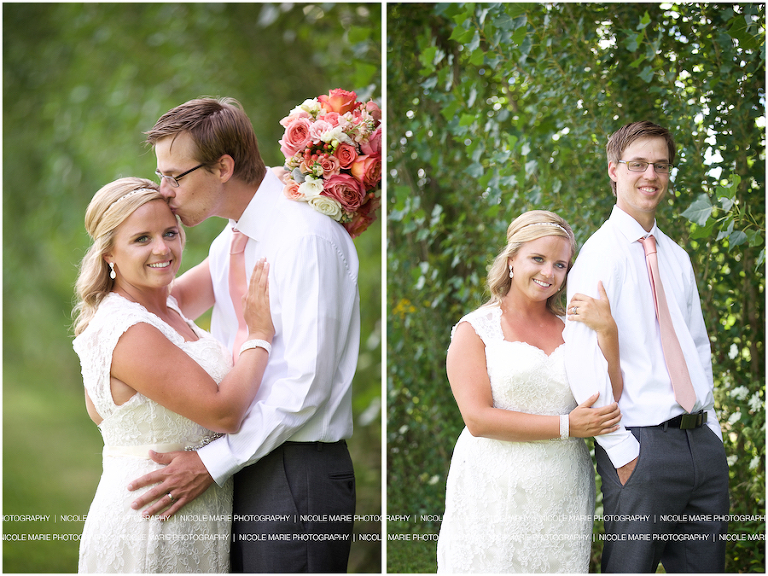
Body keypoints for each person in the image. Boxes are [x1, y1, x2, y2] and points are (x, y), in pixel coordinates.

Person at [126, 97, 360, 572]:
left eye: (175, 177)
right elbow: (167, 304)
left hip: (295, 471)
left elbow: (305, 387)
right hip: (245, 460)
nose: (165, 192)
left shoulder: (304, 239)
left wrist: (211, 463)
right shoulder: (234, 238)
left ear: (223, 167)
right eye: (160, 176)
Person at [72, 178, 274, 572]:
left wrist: (281, 184)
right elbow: (224, 413)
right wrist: (259, 335)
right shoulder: (126, 328)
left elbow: (229, 250)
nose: (162, 249)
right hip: (153, 524)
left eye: (169, 232)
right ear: (109, 253)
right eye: (141, 239)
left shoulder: (165, 306)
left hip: (191, 517)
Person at [563, 121, 730, 572]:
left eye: (660, 165)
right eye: (637, 164)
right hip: (641, 445)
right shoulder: (599, 255)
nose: (650, 175)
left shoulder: (677, 256)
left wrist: (712, 432)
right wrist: (621, 451)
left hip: (702, 446)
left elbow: (697, 348)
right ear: (613, 170)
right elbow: (582, 361)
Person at [437, 210, 623, 573]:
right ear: (511, 260)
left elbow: (610, 397)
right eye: (537, 259)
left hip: (563, 488)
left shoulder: (575, 329)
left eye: (560, 265)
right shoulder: (475, 330)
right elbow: (477, 419)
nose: (548, 273)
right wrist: (567, 426)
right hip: (494, 487)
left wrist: (607, 332)